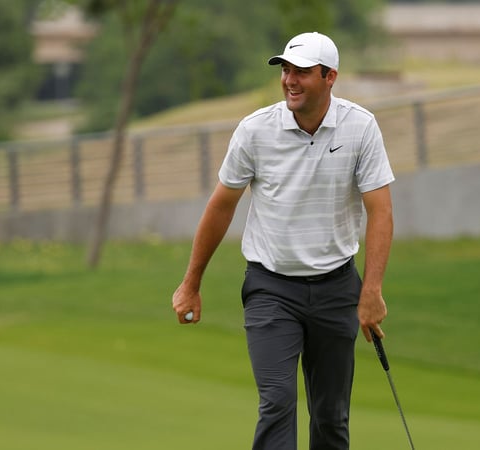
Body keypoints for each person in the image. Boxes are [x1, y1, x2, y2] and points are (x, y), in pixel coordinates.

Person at [172, 31, 395, 450]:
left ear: (330, 77)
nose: (290, 80)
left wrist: (372, 291)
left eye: (302, 73)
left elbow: (380, 211)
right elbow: (221, 206)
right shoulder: (255, 131)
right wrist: (191, 283)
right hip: (271, 288)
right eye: (286, 70)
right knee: (276, 403)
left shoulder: (360, 126)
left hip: (335, 287)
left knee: (331, 415)